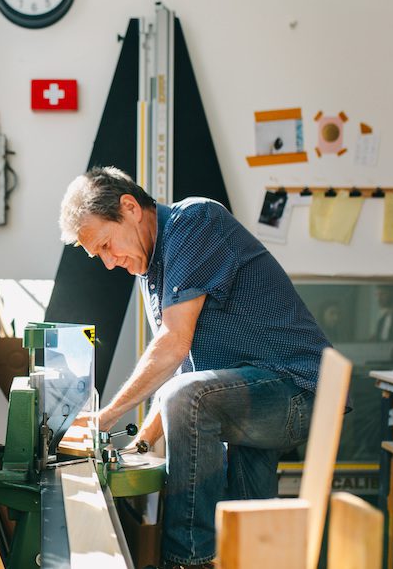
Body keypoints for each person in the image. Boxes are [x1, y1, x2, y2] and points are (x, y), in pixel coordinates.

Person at [59, 166, 334, 569]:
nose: (107, 262)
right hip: (252, 394)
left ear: (131, 208)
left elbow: (173, 350)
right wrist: (136, 445)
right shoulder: (151, 272)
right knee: (251, 540)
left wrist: (104, 418)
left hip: (298, 388)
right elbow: (182, 369)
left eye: (104, 245)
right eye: (97, 254)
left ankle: (188, 561)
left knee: (189, 399)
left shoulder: (193, 223)